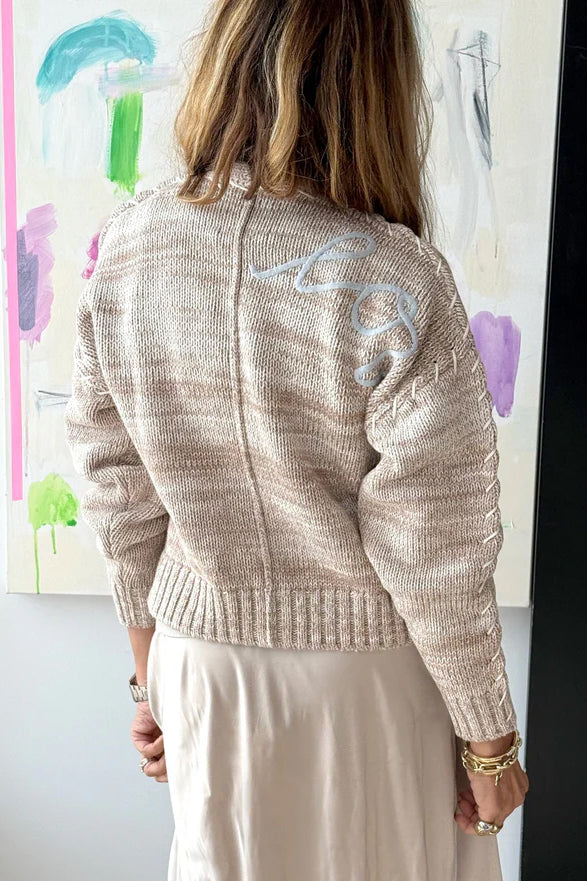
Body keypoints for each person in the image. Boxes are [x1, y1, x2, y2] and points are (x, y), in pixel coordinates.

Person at [63, 0, 529, 878]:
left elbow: (115, 489)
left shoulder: (127, 250)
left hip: (203, 666)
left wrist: (150, 677)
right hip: (367, 683)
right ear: (373, 82)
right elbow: (435, 543)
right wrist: (489, 743)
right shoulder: (392, 277)